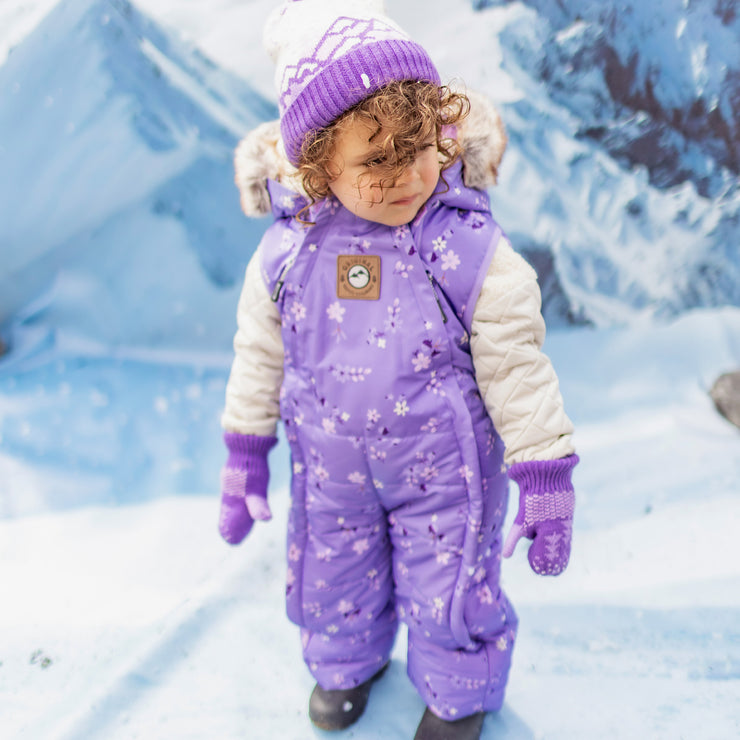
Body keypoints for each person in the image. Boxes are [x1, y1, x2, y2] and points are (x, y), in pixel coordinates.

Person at [218, 2, 578, 738]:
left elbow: (517, 364)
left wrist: (545, 476)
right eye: (373, 159)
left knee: (449, 586)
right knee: (331, 575)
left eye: (417, 148)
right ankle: (345, 664)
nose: (404, 175)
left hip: (445, 475)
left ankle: (456, 693)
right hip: (329, 471)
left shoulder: (466, 246)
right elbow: (258, 353)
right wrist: (244, 453)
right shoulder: (288, 254)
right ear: (317, 164)